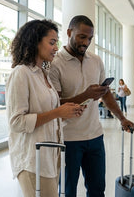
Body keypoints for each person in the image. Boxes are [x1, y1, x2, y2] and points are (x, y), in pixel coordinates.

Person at [49, 15, 134, 197]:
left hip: (95, 136)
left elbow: (107, 94)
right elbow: (54, 105)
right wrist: (85, 95)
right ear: (69, 32)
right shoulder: (55, 64)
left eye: (90, 38)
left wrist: (122, 118)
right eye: (81, 37)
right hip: (68, 139)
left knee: (97, 190)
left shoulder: (96, 60)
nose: (86, 42)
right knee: (67, 191)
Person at [6, 19, 85, 197]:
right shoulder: (21, 73)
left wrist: (66, 113)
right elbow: (16, 122)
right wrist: (57, 112)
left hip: (50, 157)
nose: (56, 48)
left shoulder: (43, 74)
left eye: (56, 42)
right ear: (35, 41)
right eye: (52, 42)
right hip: (33, 161)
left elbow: (47, 115)